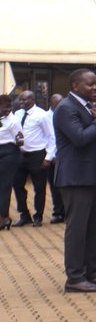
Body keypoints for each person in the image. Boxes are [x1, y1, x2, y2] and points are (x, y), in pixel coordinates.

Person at [53, 69, 96, 293]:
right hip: (76, 179)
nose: (95, 88)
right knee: (78, 229)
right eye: (89, 84)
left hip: (94, 176)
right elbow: (80, 138)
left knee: (93, 228)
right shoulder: (66, 108)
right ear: (74, 86)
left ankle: (92, 274)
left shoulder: (88, 107)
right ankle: (74, 278)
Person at [12, 89, 56, 227]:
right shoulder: (17, 114)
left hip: (37, 155)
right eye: (20, 99)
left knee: (39, 188)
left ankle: (38, 216)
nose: (21, 102)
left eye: (24, 99)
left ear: (32, 100)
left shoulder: (41, 115)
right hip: (21, 155)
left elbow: (51, 136)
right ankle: (24, 215)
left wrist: (48, 157)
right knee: (18, 185)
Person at [0, 94, 23, 230]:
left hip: (9, 153)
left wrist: (19, 140)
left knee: (4, 186)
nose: (7, 110)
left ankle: (3, 217)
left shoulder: (13, 121)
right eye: (5, 108)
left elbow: (20, 140)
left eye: (9, 108)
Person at [47, 93, 65, 223]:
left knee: (65, 186)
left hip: (64, 157)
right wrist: (50, 156)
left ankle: (67, 212)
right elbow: (48, 139)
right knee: (54, 187)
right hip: (50, 157)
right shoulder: (44, 117)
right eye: (57, 103)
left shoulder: (66, 115)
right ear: (51, 104)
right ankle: (58, 212)